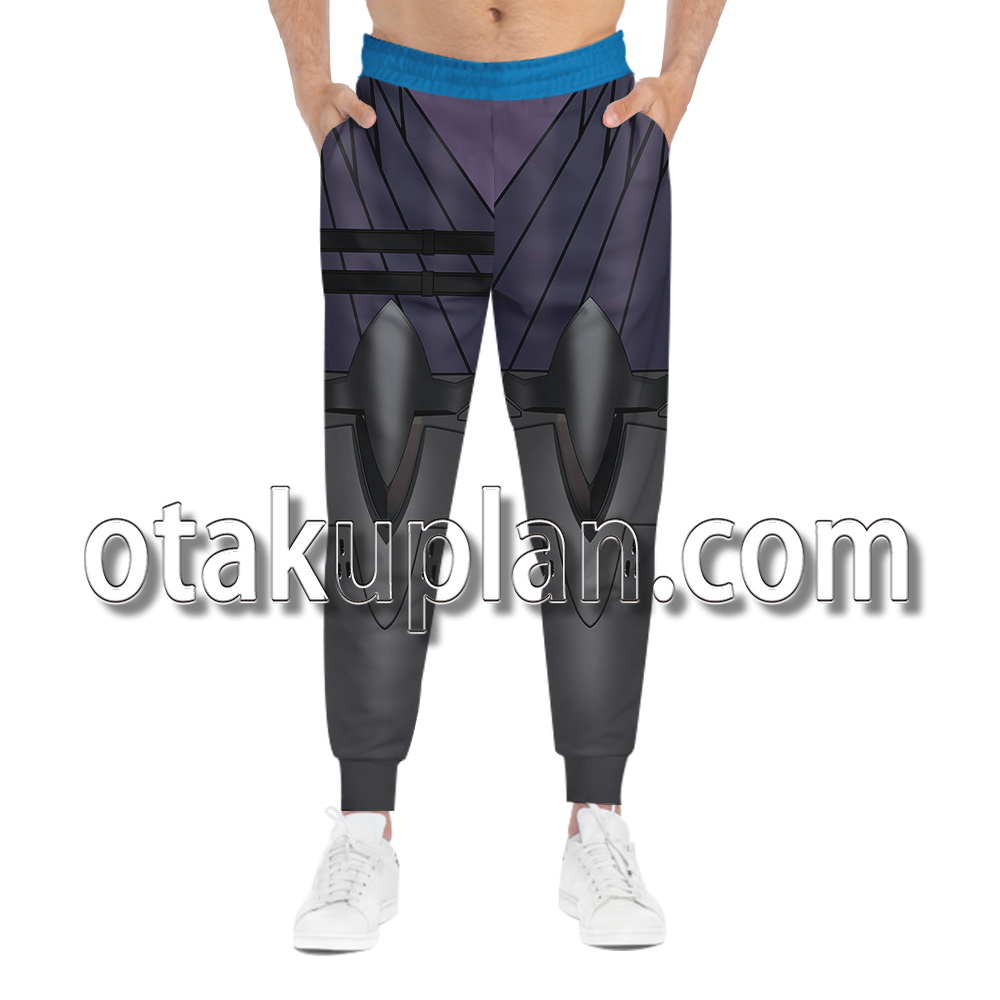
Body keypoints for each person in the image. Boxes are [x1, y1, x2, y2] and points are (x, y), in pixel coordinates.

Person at [268, 0, 727, 950]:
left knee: (600, 479)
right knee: (381, 473)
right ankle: (362, 831)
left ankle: (597, 823)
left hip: (589, 129)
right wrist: (309, 79)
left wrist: (680, 75)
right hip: (400, 131)